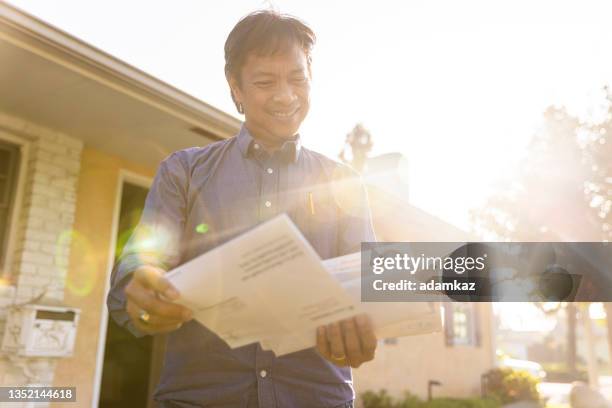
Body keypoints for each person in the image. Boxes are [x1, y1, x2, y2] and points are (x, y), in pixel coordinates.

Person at [107, 9, 377, 408]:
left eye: (298, 79)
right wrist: (142, 285)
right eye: (265, 81)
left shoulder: (344, 183)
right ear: (235, 88)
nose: (286, 95)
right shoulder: (183, 172)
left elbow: (368, 283)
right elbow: (140, 263)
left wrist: (366, 324)